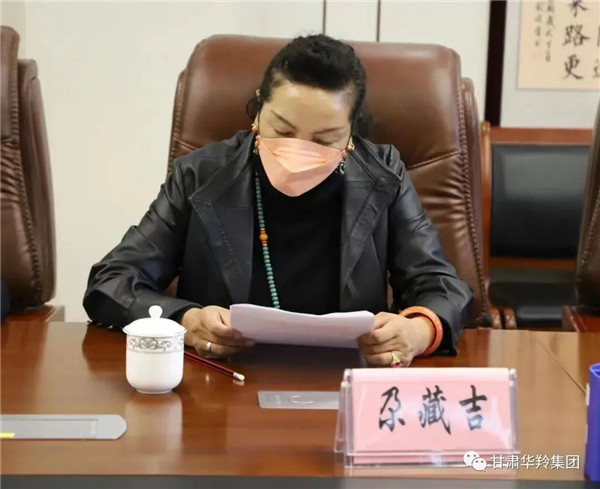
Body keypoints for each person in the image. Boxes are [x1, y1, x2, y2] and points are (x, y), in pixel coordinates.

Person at [83, 34, 473, 367]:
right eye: (282, 131)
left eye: (324, 140)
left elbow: (441, 285)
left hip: (346, 381)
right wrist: (185, 320)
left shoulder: (383, 175)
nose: (298, 150)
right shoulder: (200, 176)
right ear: (257, 113)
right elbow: (111, 283)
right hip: (221, 385)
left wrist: (419, 331)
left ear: (351, 135)